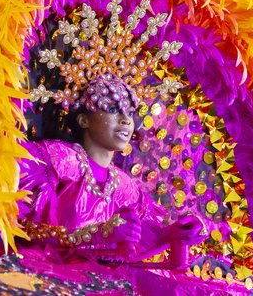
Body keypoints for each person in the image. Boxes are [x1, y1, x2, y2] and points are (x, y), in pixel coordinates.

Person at [18, 74, 204, 266]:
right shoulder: (58, 160)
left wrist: (172, 235)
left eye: (130, 113)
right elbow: (26, 231)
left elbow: (131, 255)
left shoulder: (127, 189)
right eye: (113, 110)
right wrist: (99, 234)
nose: (125, 120)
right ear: (84, 120)